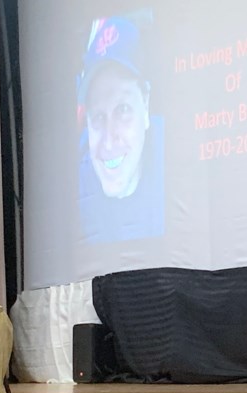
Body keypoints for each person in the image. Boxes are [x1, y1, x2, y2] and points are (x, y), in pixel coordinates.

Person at [78, 16, 164, 242]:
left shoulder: (180, 163)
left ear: (145, 105)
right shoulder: (69, 193)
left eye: (123, 109)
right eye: (97, 116)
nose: (108, 141)